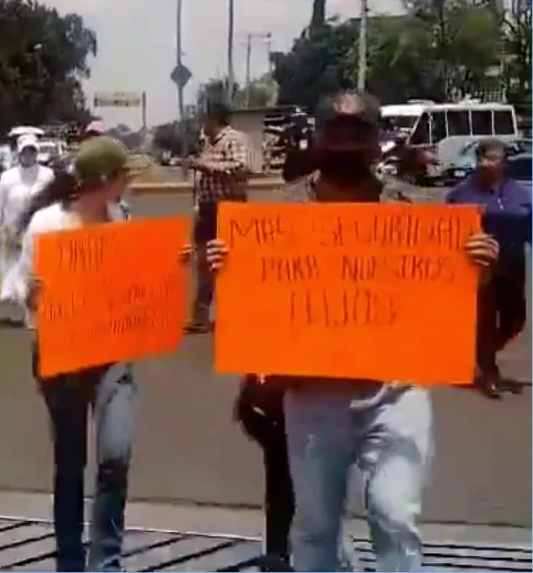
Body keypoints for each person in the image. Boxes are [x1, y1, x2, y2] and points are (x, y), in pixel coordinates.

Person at [204, 90, 500, 572]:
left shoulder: (410, 208)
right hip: (312, 394)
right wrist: (225, 268)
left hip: (395, 390)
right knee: (316, 525)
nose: (346, 144)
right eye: (336, 133)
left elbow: (448, 286)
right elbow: (250, 298)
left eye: (358, 133)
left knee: (395, 516)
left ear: (376, 140)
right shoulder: (280, 213)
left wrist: (478, 266)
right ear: (318, 139)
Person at [12, 137, 182, 572]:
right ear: (105, 181)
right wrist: (35, 294)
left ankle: (106, 558)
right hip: (62, 357)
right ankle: (69, 558)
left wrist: (170, 262)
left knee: (115, 455)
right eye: (124, 176)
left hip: (113, 356)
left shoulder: (122, 221)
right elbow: (22, 290)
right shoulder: (46, 225)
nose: (128, 184)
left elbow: (138, 286)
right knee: (69, 462)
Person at [447, 138, 531, 398]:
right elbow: (449, 233)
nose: (489, 164)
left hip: (513, 261)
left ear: (504, 162)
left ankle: (481, 355)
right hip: (481, 265)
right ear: (478, 161)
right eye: (485, 158)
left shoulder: (519, 192)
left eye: (495, 159)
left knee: (515, 319)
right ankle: (489, 373)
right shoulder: (462, 194)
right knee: (484, 320)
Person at [183, 103, 250, 334]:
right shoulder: (208, 144)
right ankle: (200, 316)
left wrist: (205, 166)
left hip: (229, 208)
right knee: (203, 262)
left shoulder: (234, 139)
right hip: (207, 209)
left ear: (215, 119)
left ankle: (240, 313)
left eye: (205, 119)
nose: (202, 124)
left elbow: (241, 168)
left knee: (229, 262)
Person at [234, 375, 293, 571]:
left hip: (295, 414)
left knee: (286, 500)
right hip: (280, 418)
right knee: (283, 499)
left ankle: (277, 559)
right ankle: (277, 559)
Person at [0, 134, 53, 309]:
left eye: (32, 151)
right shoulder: (7, 177)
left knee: (36, 269)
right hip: (13, 230)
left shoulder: (47, 175)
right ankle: (22, 301)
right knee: (15, 269)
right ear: (19, 153)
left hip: (40, 228)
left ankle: (34, 305)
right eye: (25, 151)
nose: (29, 155)